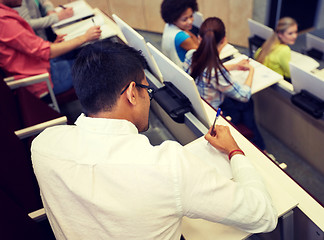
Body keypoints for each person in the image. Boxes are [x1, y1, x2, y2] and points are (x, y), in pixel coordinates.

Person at [31, 41, 277, 240]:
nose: (149, 98)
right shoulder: (168, 167)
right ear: (132, 94)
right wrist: (234, 151)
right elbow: (263, 215)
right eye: (147, 90)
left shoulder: (43, 145)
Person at [184, 17, 266, 151]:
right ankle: (258, 146)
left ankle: (255, 143)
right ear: (224, 40)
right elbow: (244, 95)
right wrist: (251, 70)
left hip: (200, 104)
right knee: (247, 102)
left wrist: (234, 66)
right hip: (216, 112)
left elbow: (206, 70)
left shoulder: (191, 55)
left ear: (199, 38)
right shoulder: (217, 72)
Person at [0, 0, 101, 98]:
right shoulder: (3, 21)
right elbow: (47, 52)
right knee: (97, 65)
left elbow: (27, 47)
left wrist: (52, 45)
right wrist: (85, 37)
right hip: (43, 81)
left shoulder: (5, 13)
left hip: (43, 67)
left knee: (88, 56)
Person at [161, 0, 199, 68]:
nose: (190, 21)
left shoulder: (168, 25)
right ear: (174, 20)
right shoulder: (182, 37)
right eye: (184, 19)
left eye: (191, 16)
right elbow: (201, 54)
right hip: (184, 70)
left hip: (171, 65)